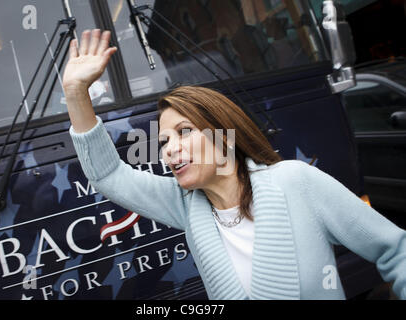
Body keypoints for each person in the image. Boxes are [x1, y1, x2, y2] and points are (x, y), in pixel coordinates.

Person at [63, 29, 406, 300]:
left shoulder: (295, 182)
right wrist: (76, 92)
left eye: (184, 132)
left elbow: (394, 250)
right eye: (164, 141)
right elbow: (108, 174)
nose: (169, 149)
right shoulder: (185, 206)